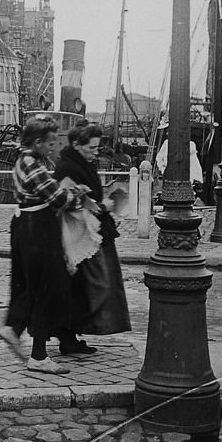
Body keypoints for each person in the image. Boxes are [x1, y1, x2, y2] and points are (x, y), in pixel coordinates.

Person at [0, 118, 93, 374]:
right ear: (37, 142)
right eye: (50, 143)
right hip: (37, 227)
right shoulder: (31, 162)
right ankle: (38, 355)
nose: (53, 148)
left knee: (30, 285)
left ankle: (14, 329)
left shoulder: (27, 160)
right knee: (51, 287)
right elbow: (58, 197)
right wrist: (78, 194)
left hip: (27, 225)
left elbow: (46, 190)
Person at [53, 122, 131, 337]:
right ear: (77, 145)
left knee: (93, 287)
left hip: (95, 233)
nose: (96, 154)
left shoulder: (81, 163)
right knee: (94, 287)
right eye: (92, 148)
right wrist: (101, 206)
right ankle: (68, 336)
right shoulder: (67, 168)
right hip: (82, 238)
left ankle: (73, 335)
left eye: (97, 148)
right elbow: (67, 203)